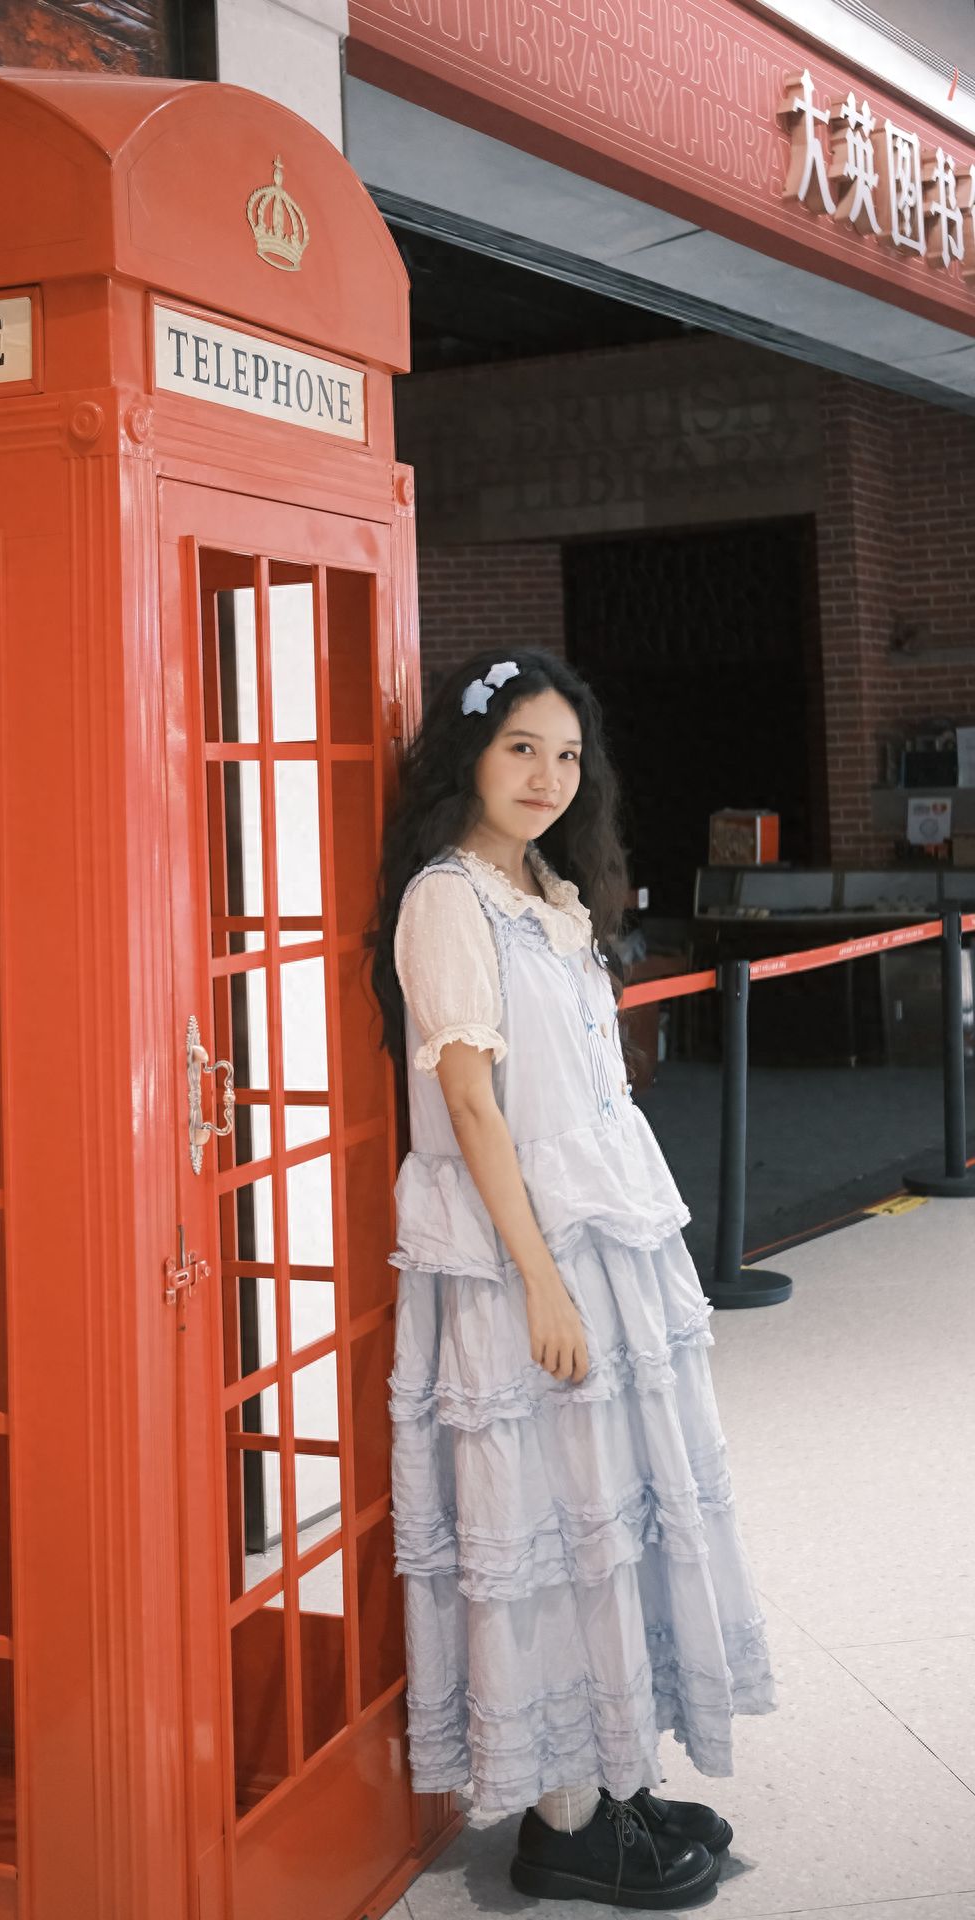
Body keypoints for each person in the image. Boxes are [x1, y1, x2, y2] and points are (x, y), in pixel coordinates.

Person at [370, 649, 777, 1910]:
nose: (547, 777)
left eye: (564, 755)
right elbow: (475, 1112)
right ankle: (559, 1819)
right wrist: (539, 1282)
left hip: (600, 1240)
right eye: (518, 750)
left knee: (616, 1510)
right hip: (517, 1261)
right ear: (466, 760)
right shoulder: (446, 899)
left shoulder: (546, 884)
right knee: (545, 1523)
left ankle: (612, 1769)